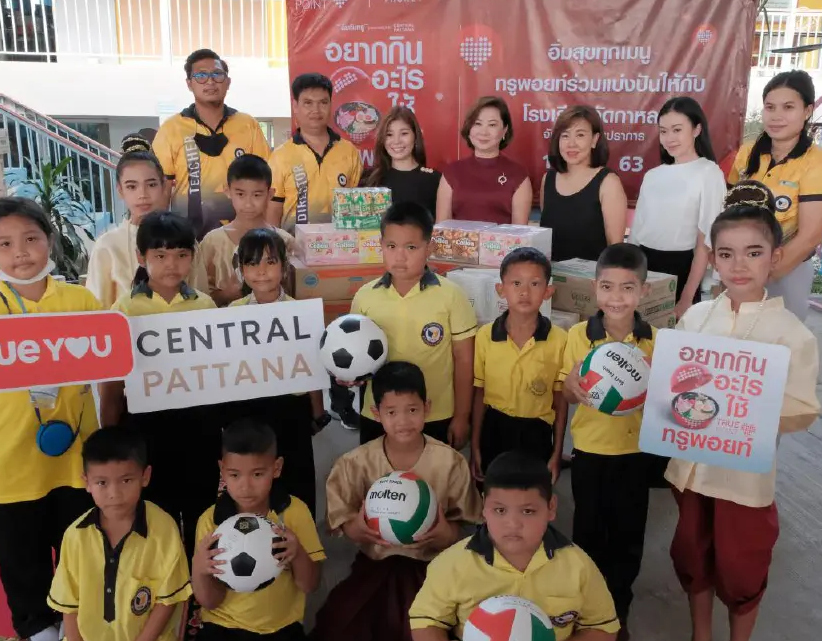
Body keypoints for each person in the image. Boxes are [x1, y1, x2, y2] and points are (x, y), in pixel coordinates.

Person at [659, 193, 821, 641]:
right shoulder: (696, 319)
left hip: (744, 479)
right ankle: (703, 640)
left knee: (741, 566)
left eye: (753, 252)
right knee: (692, 554)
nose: (738, 265)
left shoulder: (789, 333)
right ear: (712, 258)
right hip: (689, 469)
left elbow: (801, 408)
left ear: (775, 258)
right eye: (725, 253)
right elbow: (675, 392)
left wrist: (744, 404)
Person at [0, 197, 100, 641]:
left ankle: (83, 611)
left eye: (31, 239)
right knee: (20, 546)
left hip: (76, 446)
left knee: (79, 536)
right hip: (12, 450)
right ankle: (36, 620)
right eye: (6, 243)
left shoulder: (80, 300)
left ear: (50, 242)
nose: (21, 252)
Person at [409, 453, 620, 641]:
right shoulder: (454, 562)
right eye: (500, 510)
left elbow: (603, 628)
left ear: (551, 507)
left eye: (528, 511)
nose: (513, 523)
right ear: (484, 507)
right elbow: (425, 620)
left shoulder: (577, 566)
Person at [313, 361, 482, 641]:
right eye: (392, 412)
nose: (403, 421)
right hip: (377, 562)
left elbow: (461, 530)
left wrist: (444, 532)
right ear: (377, 414)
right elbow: (345, 523)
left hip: (431, 565)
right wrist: (358, 529)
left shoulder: (449, 462)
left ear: (427, 408)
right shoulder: (356, 463)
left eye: (412, 410)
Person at [24, 427, 192, 641]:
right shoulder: (75, 536)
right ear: (86, 482)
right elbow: (69, 608)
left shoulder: (163, 528)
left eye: (126, 480)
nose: (114, 493)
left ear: (145, 476)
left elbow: (167, 603)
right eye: (102, 482)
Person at [186, 418, 326, 641]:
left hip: (280, 630)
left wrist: (298, 553)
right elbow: (209, 601)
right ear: (222, 470)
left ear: (276, 469)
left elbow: (310, 584)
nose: (246, 486)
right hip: (223, 632)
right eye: (235, 475)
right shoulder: (211, 521)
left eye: (258, 474)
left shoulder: (294, 511)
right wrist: (199, 568)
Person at [559, 243, 659, 641]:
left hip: (636, 454)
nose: (616, 298)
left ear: (644, 292)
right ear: (594, 288)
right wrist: (568, 385)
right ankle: (588, 607)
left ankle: (618, 607)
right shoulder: (580, 335)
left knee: (628, 537)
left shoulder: (656, 342)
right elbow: (568, 392)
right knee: (588, 532)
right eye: (607, 287)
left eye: (627, 288)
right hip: (590, 451)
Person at [102, 211, 219, 548]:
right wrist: (111, 434)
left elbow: (220, 372)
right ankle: (166, 579)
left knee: (201, 505)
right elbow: (110, 385)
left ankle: (201, 578)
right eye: (161, 256)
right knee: (157, 509)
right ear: (142, 257)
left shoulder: (205, 306)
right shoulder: (123, 311)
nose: (173, 264)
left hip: (199, 426)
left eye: (182, 255)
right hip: (146, 428)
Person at [350, 201, 477, 446]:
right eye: (391, 246)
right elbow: (356, 357)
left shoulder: (451, 295)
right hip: (377, 413)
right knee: (379, 478)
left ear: (428, 248)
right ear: (381, 246)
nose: (400, 256)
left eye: (411, 247)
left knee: (434, 480)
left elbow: (464, 360)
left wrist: (462, 416)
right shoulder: (365, 296)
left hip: (436, 412)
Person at [223, 228, 329, 515]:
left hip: (291, 408)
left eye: (270, 262)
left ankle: (304, 542)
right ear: (241, 269)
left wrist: (317, 412)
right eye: (252, 263)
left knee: (296, 473)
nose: (261, 271)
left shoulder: (301, 312)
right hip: (248, 408)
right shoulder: (231, 313)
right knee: (254, 474)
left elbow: (313, 367)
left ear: (284, 267)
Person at [727, 69, 822, 320]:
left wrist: (762, 276)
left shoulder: (818, 162)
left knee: (779, 347)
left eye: (788, 107)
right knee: (736, 345)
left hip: (787, 270)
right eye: (770, 107)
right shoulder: (747, 153)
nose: (776, 116)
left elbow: (810, 236)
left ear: (807, 111)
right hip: (739, 268)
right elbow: (728, 213)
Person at [470, 247, 567, 486]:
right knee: (493, 490)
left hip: (537, 431)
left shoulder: (560, 340)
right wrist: (474, 446)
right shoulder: (485, 336)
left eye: (535, 284)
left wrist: (557, 453)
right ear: (500, 290)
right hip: (494, 427)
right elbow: (479, 393)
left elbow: (560, 400)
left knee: (531, 493)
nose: (524, 292)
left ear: (548, 291)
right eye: (516, 283)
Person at [152, 49, 271, 240]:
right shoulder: (171, 129)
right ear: (189, 84)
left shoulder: (248, 125)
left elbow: (265, 182)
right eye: (200, 75)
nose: (210, 81)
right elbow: (162, 190)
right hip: (188, 241)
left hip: (243, 240)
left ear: (228, 82)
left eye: (217, 74)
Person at [630, 96, 727, 321]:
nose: (669, 138)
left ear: (696, 129)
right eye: (663, 131)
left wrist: (686, 298)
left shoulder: (709, 173)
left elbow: (705, 244)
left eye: (677, 129)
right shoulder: (652, 176)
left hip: (683, 269)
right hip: (644, 268)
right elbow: (636, 235)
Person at [86, 136, 209, 308]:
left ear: (163, 186)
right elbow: (96, 311)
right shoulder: (107, 245)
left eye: (151, 185)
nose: (142, 194)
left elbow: (201, 299)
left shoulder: (185, 239)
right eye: (132, 186)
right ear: (120, 190)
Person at [267, 73, 363, 231]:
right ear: (295, 106)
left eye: (323, 103)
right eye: (308, 103)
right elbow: (273, 211)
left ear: (331, 104)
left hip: (341, 247)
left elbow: (356, 209)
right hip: (294, 250)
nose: (316, 110)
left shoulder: (349, 151)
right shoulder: (280, 156)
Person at [199, 153, 295, 306]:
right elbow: (199, 296)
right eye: (240, 194)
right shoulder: (212, 242)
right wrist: (228, 294)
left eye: (257, 195)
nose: (248, 204)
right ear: (227, 191)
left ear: (270, 194)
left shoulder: (285, 241)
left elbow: (295, 292)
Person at [539, 105, 627, 262]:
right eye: (565, 136)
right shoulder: (548, 179)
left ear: (594, 140)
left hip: (589, 282)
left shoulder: (608, 182)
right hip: (549, 280)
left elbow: (615, 249)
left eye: (580, 135)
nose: (571, 144)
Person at [436, 96, 533, 225]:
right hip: (459, 245)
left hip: (502, 245)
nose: (484, 132)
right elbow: (441, 229)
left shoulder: (518, 175)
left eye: (492, 125)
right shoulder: (452, 172)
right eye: (477, 123)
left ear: (504, 130)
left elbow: (519, 234)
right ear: (469, 128)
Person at [363, 105, 440, 217]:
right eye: (389, 135)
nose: (396, 141)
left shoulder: (434, 180)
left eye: (404, 133)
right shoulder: (369, 179)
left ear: (415, 136)